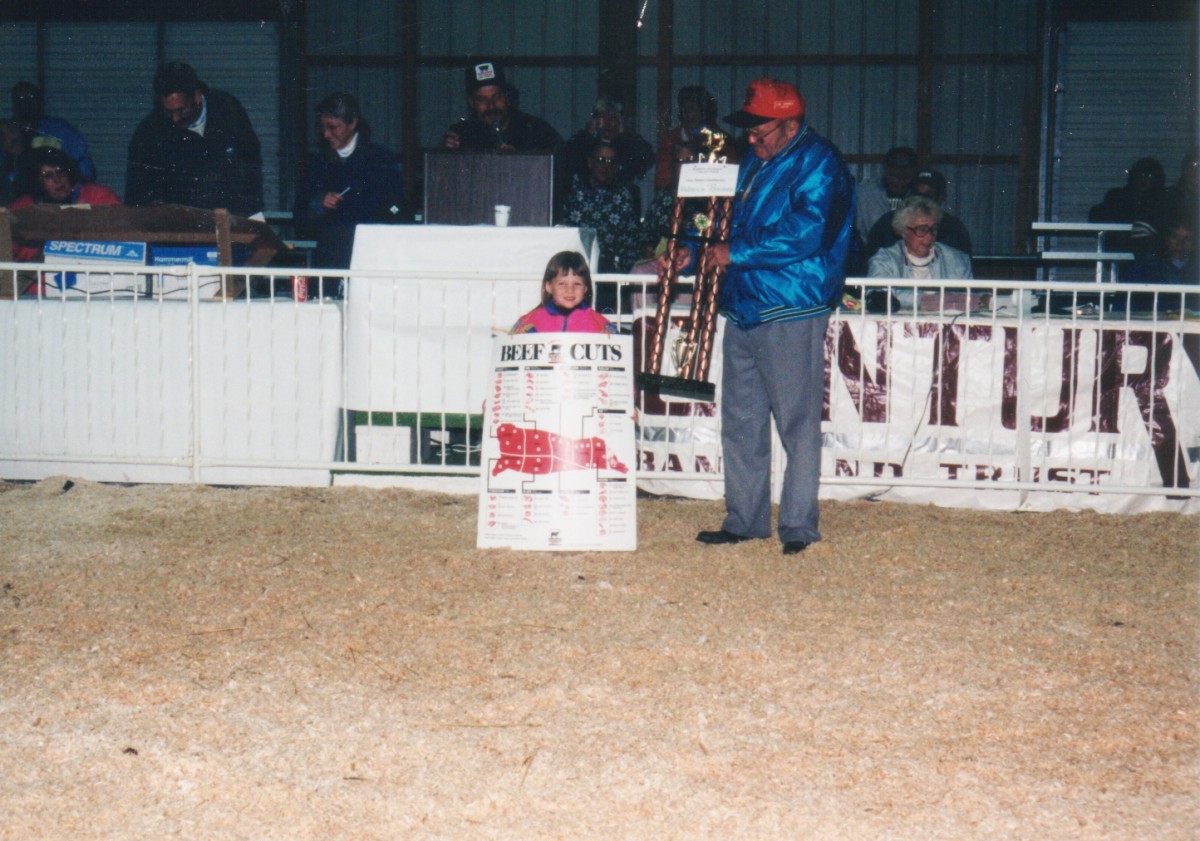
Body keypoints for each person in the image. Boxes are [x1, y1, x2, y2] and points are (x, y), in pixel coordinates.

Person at [691, 77, 855, 556]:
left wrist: (734, 252)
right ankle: (744, 520)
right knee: (740, 420)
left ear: (790, 124)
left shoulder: (821, 163)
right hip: (744, 304)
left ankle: (799, 526)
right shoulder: (752, 162)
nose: (750, 138)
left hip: (790, 305)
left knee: (795, 422)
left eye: (759, 129)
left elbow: (805, 232)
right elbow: (719, 221)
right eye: (748, 129)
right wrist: (688, 250)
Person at [293, 92, 406, 294]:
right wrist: (318, 203)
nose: (326, 135)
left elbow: (398, 210)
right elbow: (299, 215)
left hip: (372, 257)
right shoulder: (317, 163)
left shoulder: (381, 160)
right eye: (322, 128)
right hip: (330, 258)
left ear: (353, 123)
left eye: (333, 127)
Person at [125, 61, 263, 217]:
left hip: (233, 216)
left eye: (181, 110)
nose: (175, 119)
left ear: (196, 96)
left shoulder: (228, 111)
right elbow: (137, 196)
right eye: (168, 112)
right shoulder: (148, 134)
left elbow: (250, 169)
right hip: (182, 224)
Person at [6, 146, 122, 262]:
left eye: (61, 172)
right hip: (39, 275)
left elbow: (123, 229)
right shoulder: (21, 208)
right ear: (35, 180)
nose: (58, 180)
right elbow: (8, 252)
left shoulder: (98, 196)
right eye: (48, 176)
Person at [867, 195, 973, 310]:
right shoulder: (884, 260)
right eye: (922, 230)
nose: (929, 236)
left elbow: (969, 299)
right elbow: (877, 296)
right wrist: (925, 300)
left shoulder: (958, 260)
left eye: (933, 229)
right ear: (903, 231)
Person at [560, 138, 643, 281]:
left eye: (610, 162)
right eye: (600, 160)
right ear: (590, 163)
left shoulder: (625, 194)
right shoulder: (574, 189)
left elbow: (632, 239)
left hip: (612, 268)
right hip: (576, 262)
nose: (605, 166)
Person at [441, 60, 561, 154]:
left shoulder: (537, 130)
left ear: (506, 96)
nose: (491, 105)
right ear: (471, 102)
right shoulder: (462, 135)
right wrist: (446, 153)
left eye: (497, 97)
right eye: (482, 99)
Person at [863, 169, 972, 261]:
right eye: (917, 194)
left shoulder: (954, 228)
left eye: (929, 195)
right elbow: (873, 259)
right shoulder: (888, 222)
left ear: (941, 198)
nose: (921, 200)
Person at [559, 96, 655, 189]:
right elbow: (565, 160)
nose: (608, 124)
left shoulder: (627, 144)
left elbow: (647, 159)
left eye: (613, 118)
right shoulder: (584, 143)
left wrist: (625, 136)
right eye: (603, 118)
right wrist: (586, 136)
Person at [510, 250, 617, 334]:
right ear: (548, 286)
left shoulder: (598, 322)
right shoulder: (531, 321)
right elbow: (511, 342)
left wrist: (608, 340)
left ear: (585, 288)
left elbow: (618, 346)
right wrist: (520, 337)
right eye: (562, 284)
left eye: (577, 284)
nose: (570, 290)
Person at [10, 82, 96, 183]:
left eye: (31, 97)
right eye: (20, 98)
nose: (26, 102)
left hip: (57, 192)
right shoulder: (8, 131)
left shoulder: (59, 129)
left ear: (39, 101)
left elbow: (82, 163)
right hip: (19, 192)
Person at [1088, 156, 1169, 257]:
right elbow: (1096, 215)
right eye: (1140, 174)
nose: (1143, 179)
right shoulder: (1117, 196)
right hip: (1122, 254)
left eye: (1149, 175)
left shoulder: (1164, 200)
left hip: (1153, 256)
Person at [1120, 216, 1197, 312]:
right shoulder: (1147, 268)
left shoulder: (1196, 270)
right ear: (1167, 240)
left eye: (1187, 239)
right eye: (1175, 237)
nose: (1180, 243)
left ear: (1194, 244)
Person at [653, 86, 719, 191]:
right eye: (685, 110)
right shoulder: (671, 140)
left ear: (704, 112)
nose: (689, 114)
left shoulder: (720, 139)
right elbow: (661, 179)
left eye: (693, 109)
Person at [856, 145, 918, 236]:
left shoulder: (920, 194)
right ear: (885, 171)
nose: (899, 182)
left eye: (905, 177)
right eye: (894, 176)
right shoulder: (864, 193)